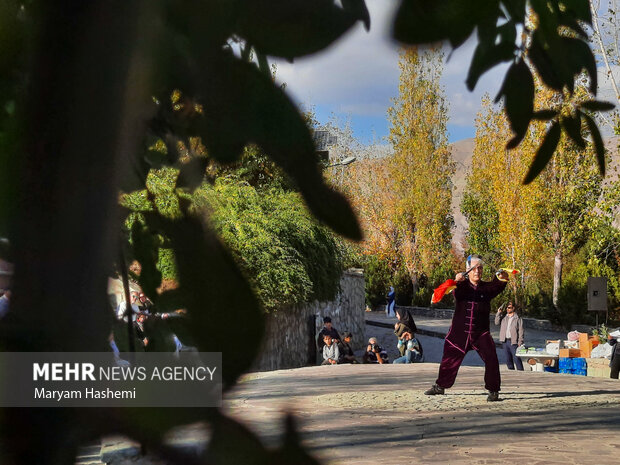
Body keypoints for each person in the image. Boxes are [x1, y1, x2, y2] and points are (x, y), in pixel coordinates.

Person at [425, 254, 508, 401]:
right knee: (448, 361)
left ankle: (493, 391)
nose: (477, 271)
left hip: (480, 334)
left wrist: (502, 276)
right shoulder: (460, 286)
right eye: (474, 268)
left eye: (480, 268)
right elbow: (451, 287)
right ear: (467, 269)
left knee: (492, 358)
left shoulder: (487, 288)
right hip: (458, 334)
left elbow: (498, 284)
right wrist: (457, 280)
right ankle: (440, 387)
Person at [495, 301, 524, 370]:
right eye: (507, 308)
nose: (507, 309)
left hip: (513, 342)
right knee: (508, 359)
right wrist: (498, 313)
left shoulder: (518, 318)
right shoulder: (504, 317)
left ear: (513, 308)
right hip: (505, 341)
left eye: (509, 307)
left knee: (516, 359)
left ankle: (521, 372)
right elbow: (496, 322)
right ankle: (511, 372)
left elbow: (521, 331)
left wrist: (520, 341)